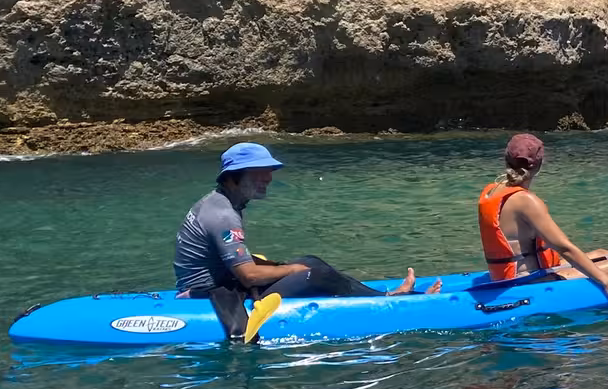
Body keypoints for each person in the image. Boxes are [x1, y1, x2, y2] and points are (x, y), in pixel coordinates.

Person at [175, 142, 430, 342]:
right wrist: (294, 270)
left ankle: (385, 295)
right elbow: (249, 277)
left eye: (269, 171)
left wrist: (293, 267)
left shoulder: (223, 202)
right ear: (232, 177)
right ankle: (391, 300)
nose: (268, 178)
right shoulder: (223, 214)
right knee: (314, 274)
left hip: (225, 283)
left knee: (311, 262)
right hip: (211, 293)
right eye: (258, 172)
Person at [478, 134, 608, 299]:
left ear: (506, 161)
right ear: (539, 165)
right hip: (529, 282)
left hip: (509, 276)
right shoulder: (526, 201)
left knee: (603, 253)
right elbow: (565, 248)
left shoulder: (492, 191)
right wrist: (607, 283)